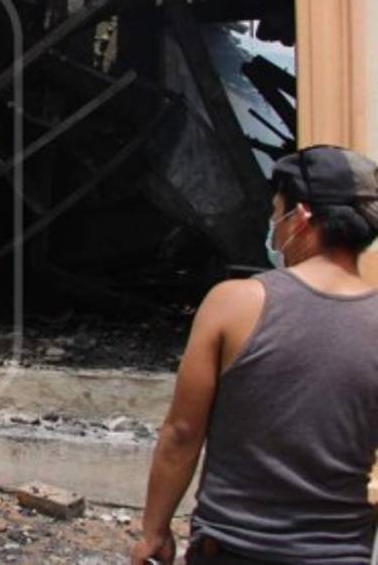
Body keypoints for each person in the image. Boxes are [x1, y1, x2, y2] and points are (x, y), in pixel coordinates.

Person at [132, 145, 378, 565]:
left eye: (276, 213)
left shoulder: (234, 303)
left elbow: (182, 433)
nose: (273, 227)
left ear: (300, 219)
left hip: (232, 549)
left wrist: (155, 531)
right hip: (341, 553)